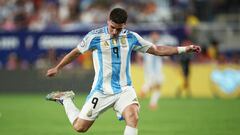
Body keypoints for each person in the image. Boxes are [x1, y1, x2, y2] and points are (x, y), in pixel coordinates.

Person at [45, 8, 201, 135]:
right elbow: (76, 52)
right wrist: (58, 67)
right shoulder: (95, 37)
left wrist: (184, 49)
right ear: (108, 22)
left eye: (118, 29)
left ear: (124, 25)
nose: (114, 32)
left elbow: (157, 49)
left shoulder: (131, 38)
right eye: (112, 27)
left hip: (124, 89)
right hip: (101, 91)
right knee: (80, 127)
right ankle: (65, 99)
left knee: (133, 116)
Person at [138, 31, 178, 110]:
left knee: (158, 86)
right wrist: (140, 63)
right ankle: (144, 91)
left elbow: (166, 57)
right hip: (149, 70)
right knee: (152, 83)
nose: (156, 37)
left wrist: (172, 64)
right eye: (154, 36)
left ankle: (152, 103)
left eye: (157, 36)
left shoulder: (160, 45)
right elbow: (139, 55)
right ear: (151, 36)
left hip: (158, 70)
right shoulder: (146, 45)